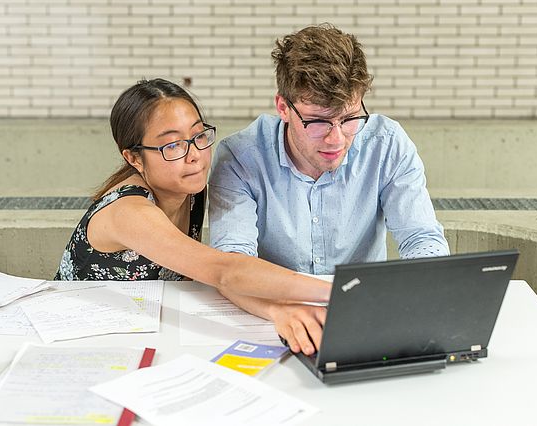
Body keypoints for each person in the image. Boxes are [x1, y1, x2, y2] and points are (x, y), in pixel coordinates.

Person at [208, 24, 450, 345]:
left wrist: (424, 290)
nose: (336, 139)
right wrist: (293, 304)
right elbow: (233, 261)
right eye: (318, 122)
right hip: (272, 318)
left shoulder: (387, 144)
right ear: (283, 108)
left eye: (349, 119)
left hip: (367, 315)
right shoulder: (240, 157)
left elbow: (421, 238)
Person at [55, 78, 330, 354]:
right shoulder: (129, 211)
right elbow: (224, 270)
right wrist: (337, 292)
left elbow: (213, 277)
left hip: (142, 331)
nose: (195, 155)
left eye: (199, 136)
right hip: (76, 338)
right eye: (173, 145)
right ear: (134, 158)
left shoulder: (190, 191)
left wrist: (278, 310)